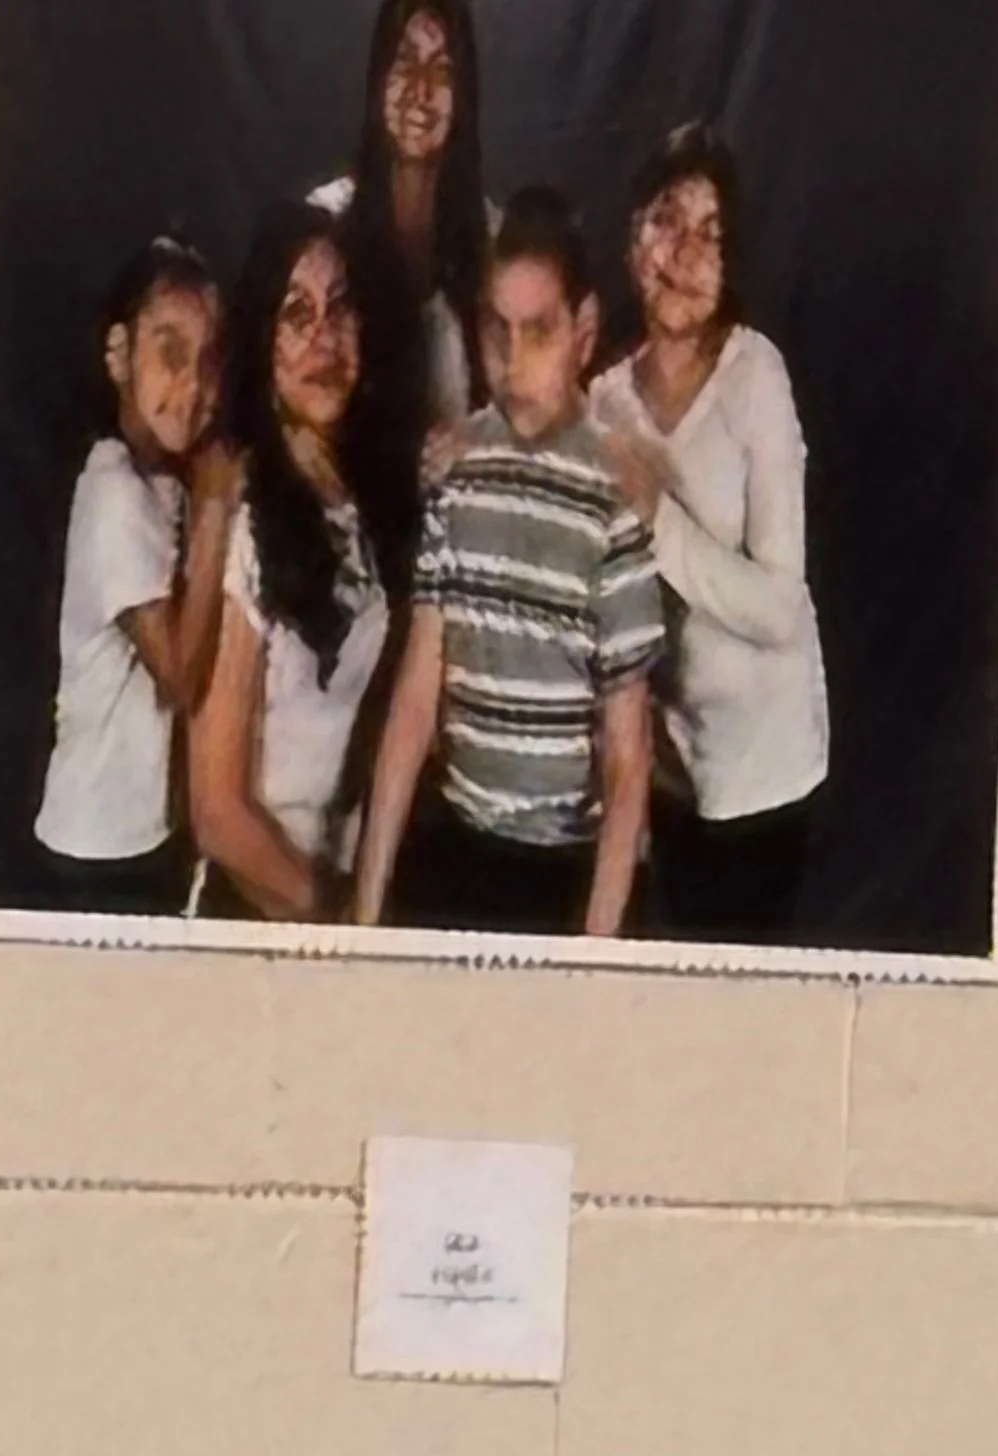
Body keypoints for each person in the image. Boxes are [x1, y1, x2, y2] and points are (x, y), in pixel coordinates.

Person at [353, 193, 662, 940]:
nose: (513, 361)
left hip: (566, 871)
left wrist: (594, 951)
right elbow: (415, 701)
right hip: (461, 848)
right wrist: (364, 913)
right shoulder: (458, 472)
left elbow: (628, 762)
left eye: (539, 332)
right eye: (498, 331)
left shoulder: (611, 500)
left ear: (583, 332)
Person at [591, 127, 832, 944]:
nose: (685, 253)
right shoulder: (604, 401)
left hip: (767, 775)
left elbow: (778, 609)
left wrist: (658, 515)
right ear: (633, 238)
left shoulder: (756, 374)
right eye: (667, 221)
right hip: (664, 776)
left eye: (711, 234)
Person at [189, 208, 392, 922]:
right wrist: (333, 920)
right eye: (296, 315)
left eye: (340, 309)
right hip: (258, 908)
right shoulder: (241, 521)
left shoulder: (364, 500)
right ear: (261, 341)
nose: (324, 340)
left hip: (343, 888)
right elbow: (217, 812)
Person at [31, 239, 236, 916]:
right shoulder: (113, 490)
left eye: (209, 361)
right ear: (119, 355)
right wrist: (215, 508)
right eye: (170, 353)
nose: (193, 387)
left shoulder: (161, 480)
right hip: (96, 848)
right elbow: (177, 675)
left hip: (144, 840)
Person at [310, 0, 491, 569]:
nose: (420, 90)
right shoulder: (323, 228)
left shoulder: (494, 240)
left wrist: (482, 441)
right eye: (404, 62)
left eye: (442, 69)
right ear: (376, 79)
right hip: (341, 552)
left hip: (464, 554)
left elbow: (530, 407)